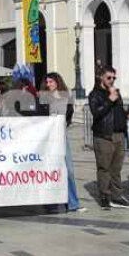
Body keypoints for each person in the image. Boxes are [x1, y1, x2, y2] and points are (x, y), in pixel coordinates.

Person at [42, 72, 87, 214]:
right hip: (47, 139)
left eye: (51, 82)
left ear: (57, 82)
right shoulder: (44, 98)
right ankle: (51, 204)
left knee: (69, 170)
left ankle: (73, 203)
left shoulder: (66, 97)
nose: (48, 84)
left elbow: (69, 115)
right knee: (50, 170)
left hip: (61, 136)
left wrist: (61, 123)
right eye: (47, 82)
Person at [88, 66, 129, 210]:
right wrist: (109, 100)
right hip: (104, 135)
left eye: (114, 78)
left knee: (116, 168)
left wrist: (127, 115)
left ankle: (117, 196)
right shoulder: (95, 94)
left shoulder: (116, 92)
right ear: (101, 77)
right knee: (104, 167)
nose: (112, 80)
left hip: (119, 134)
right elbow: (96, 113)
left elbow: (118, 112)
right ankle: (105, 196)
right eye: (109, 77)